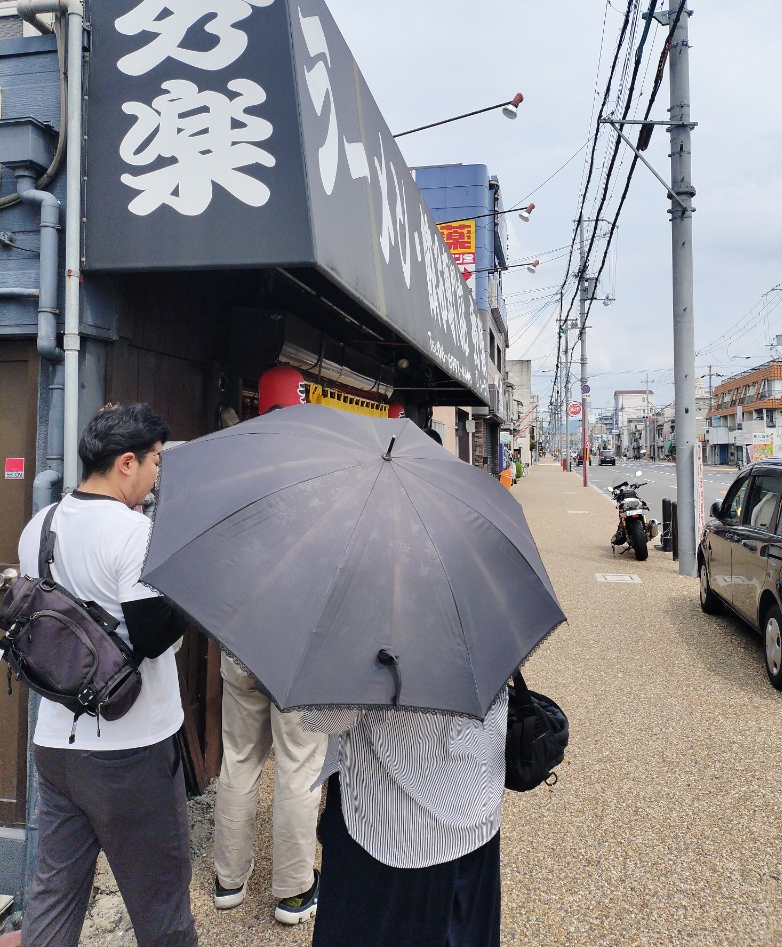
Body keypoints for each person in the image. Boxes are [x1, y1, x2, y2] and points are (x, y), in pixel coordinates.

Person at [18, 402, 196, 947]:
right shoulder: (133, 534)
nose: (158, 473)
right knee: (160, 898)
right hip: (132, 749)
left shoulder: (38, 528)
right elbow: (150, 636)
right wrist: (192, 585)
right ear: (126, 463)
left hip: (55, 744)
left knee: (54, 893)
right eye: (156, 462)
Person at [212, 365, 327, 925]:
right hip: (299, 641)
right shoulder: (323, 475)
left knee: (239, 758)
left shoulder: (235, 468)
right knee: (299, 765)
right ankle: (292, 891)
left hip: (240, 634)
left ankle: (227, 882)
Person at [305, 689, 508, 947]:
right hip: (476, 797)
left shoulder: (365, 645)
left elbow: (329, 718)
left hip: (390, 824)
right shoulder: (485, 646)